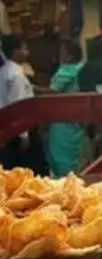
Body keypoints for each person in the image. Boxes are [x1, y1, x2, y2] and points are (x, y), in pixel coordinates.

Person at [0, 35, 46, 174]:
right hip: (19, 131)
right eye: (24, 48)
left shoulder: (4, 71)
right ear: (15, 51)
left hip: (7, 127)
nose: (27, 51)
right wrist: (23, 134)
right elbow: (18, 105)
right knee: (30, 170)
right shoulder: (16, 75)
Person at [46, 39, 85, 176]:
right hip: (76, 117)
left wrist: (30, 86)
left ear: (70, 55)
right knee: (75, 154)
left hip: (61, 119)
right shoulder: (82, 68)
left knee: (60, 154)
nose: (59, 54)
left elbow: (52, 92)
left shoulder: (66, 71)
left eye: (62, 51)